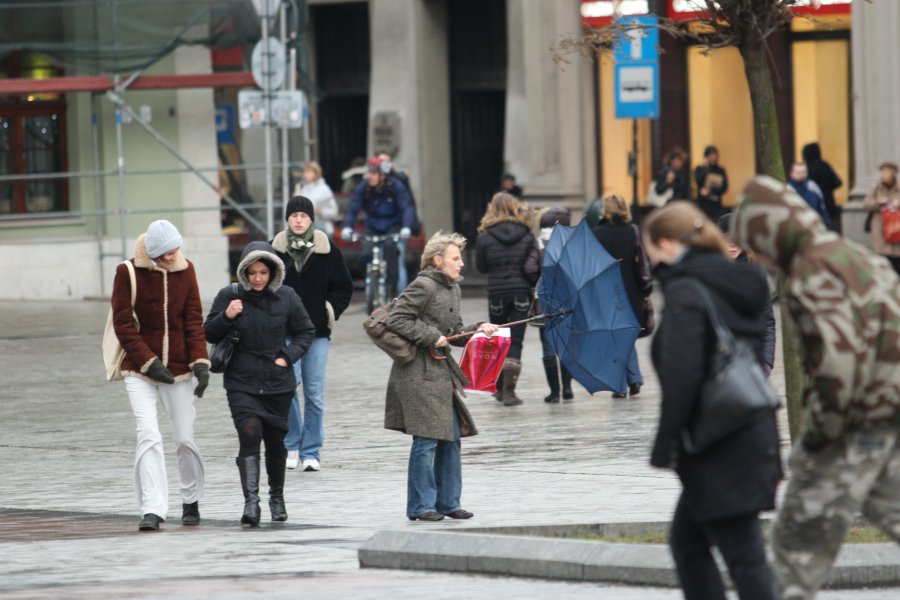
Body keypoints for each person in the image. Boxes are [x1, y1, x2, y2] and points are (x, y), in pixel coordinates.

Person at [734, 176, 900, 600]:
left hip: (855, 423)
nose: (760, 255)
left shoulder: (811, 271)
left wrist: (819, 435)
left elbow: (838, 367)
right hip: (888, 414)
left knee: (795, 546)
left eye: (758, 240)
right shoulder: (854, 255)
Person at [642, 202, 781, 600]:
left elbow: (684, 374)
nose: (649, 256)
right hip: (748, 429)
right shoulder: (743, 280)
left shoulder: (688, 288)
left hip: (716, 439)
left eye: (651, 246)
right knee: (690, 545)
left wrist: (665, 444)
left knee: (744, 556)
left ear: (667, 243)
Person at [384, 231, 499, 521]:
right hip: (417, 374)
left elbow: (454, 333)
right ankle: (421, 506)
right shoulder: (423, 285)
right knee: (427, 440)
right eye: (455, 258)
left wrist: (479, 327)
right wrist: (430, 336)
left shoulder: (454, 289)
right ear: (438, 260)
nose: (461, 263)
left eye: (460, 257)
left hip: (441, 373)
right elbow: (396, 319)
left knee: (451, 438)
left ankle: (448, 503)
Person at [204, 241, 315, 526]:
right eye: (251, 272)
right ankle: (251, 503)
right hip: (241, 380)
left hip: (278, 382)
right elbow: (209, 333)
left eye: (263, 272)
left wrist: (287, 357)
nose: (257, 278)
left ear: (272, 271)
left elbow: (306, 331)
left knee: (276, 443)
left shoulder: (287, 296)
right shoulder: (229, 296)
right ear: (243, 272)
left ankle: (276, 498)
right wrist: (227, 316)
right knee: (250, 432)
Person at [111, 219, 210, 532]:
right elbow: (123, 324)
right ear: (153, 253)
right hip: (139, 368)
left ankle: (191, 499)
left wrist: (200, 361)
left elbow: (194, 320)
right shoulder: (126, 272)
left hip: (179, 368)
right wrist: (148, 361)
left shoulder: (187, 269)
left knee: (184, 437)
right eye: (167, 252)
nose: (174, 256)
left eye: (176, 248)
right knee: (148, 435)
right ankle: (152, 509)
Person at [271, 196, 353, 472]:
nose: (298, 219)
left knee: (315, 393)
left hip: (317, 332)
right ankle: (292, 443)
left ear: (311, 219)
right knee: (288, 388)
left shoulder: (327, 249)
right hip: (285, 332)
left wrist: (329, 311)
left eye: (303, 215)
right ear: (287, 219)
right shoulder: (275, 249)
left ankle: (312, 451)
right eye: (293, 215)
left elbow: (344, 287)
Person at [475, 192, 540, 406]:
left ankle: (499, 388)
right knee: (516, 341)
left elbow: (481, 267)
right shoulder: (527, 234)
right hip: (521, 291)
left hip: (497, 293)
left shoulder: (484, 236)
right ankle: (509, 391)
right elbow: (531, 267)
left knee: (498, 338)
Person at [592, 194, 652, 398]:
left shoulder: (596, 233)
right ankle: (633, 379)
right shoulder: (632, 230)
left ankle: (620, 385)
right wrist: (646, 289)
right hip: (631, 290)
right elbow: (641, 261)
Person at [341, 155, 417, 293]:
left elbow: (407, 208)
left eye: (374, 173)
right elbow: (353, 208)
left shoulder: (396, 186)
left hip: (394, 227)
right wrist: (347, 227)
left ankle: (396, 292)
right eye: (369, 172)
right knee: (365, 256)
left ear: (382, 176)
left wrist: (406, 227)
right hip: (373, 227)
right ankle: (370, 284)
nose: (369, 176)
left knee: (393, 254)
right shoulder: (364, 188)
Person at [717, 213, 777, 376]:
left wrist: (766, 362)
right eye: (727, 240)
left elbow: (767, 321)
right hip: (717, 362)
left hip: (752, 361)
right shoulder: (710, 271)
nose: (733, 245)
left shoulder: (755, 272)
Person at [535, 206, 573, 403]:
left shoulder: (539, 243)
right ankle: (567, 388)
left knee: (548, 344)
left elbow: (529, 268)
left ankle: (555, 392)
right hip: (568, 300)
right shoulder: (573, 242)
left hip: (546, 300)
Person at [863, 161, 900, 276]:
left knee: (897, 263)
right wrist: (878, 202)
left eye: (885, 172)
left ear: (893, 174)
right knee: (883, 263)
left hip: (896, 230)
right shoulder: (876, 189)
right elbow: (866, 204)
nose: (882, 174)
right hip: (881, 231)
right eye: (882, 172)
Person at [802, 142, 843, 232]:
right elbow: (838, 183)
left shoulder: (807, 169)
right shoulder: (825, 166)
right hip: (829, 204)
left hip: (812, 206)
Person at [293, 161, 338, 235]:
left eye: (309, 172)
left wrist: (320, 211)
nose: (305, 174)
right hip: (303, 231)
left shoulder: (323, 190)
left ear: (316, 174)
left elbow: (333, 212)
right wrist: (296, 199)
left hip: (322, 230)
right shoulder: (300, 188)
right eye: (304, 172)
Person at [788, 162, 831, 228]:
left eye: (803, 172)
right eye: (798, 173)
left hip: (815, 226)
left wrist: (827, 222)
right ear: (791, 174)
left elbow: (822, 207)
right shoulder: (788, 190)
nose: (801, 175)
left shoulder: (813, 186)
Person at [693, 145, 728, 222]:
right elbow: (698, 180)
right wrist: (704, 168)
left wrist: (710, 191)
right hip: (703, 203)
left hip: (716, 204)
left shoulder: (720, 170)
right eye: (710, 156)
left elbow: (724, 187)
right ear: (706, 156)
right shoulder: (700, 169)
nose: (712, 158)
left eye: (714, 155)